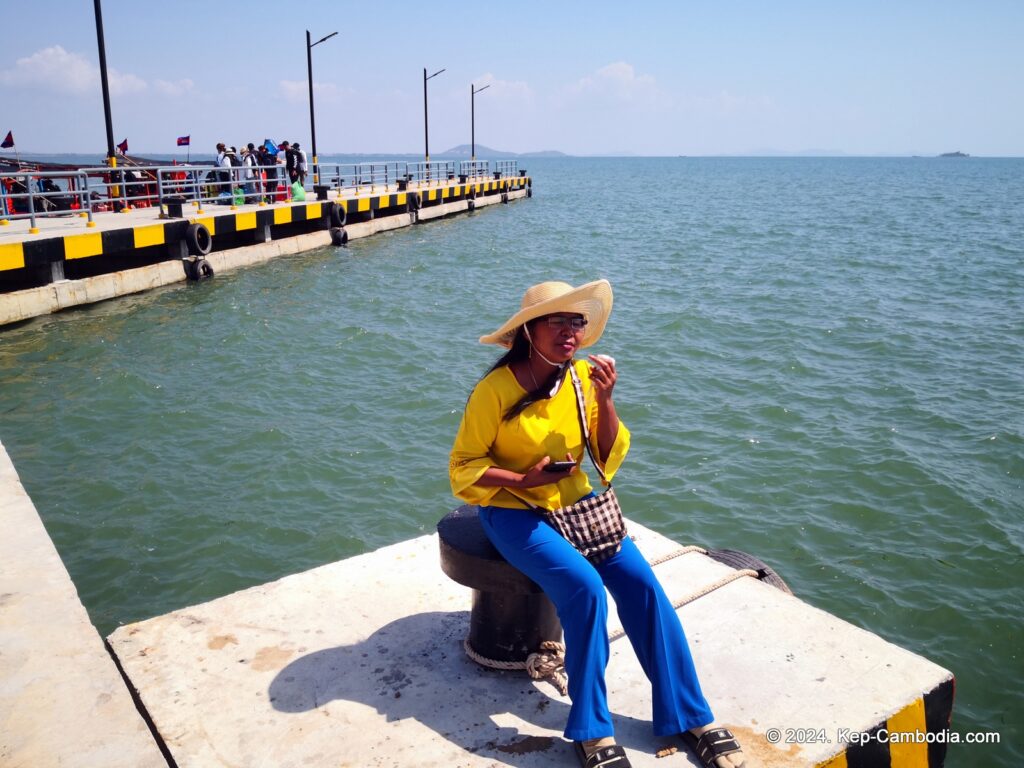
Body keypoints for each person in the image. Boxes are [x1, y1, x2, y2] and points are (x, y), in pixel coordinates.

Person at [449, 280, 746, 768]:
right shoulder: (495, 390)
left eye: (577, 321)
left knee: (644, 588)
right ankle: (592, 728)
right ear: (528, 330)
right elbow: (463, 467)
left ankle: (689, 714)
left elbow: (607, 456)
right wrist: (524, 478)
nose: (569, 331)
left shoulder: (583, 377)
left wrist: (606, 399)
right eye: (557, 320)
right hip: (513, 509)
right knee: (586, 589)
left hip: (578, 505)